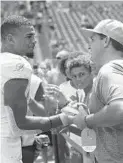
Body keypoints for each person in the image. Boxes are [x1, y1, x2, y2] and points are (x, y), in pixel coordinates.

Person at [1, 15, 73, 163]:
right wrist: (62, 119)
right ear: (10, 39)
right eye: (28, 37)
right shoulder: (16, 64)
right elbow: (17, 124)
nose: (34, 41)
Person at [73, 19, 123, 163]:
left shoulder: (110, 69)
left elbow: (119, 109)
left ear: (106, 41)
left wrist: (86, 120)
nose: (89, 45)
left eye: (93, 39)